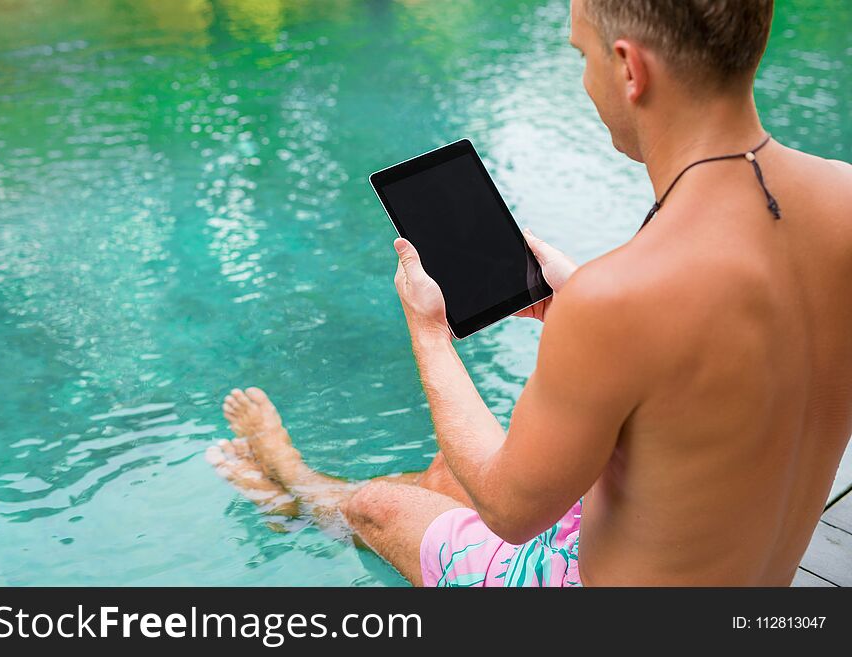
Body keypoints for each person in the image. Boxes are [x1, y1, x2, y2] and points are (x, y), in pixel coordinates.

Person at [206, 0, 852, 586]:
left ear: (629, 69)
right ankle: (322, 494)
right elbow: (730, 378)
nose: (584, 80)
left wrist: (429, 332)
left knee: (384, 508)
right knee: (453, 469)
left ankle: (300, 489)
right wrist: (581, 301)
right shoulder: (843, 199)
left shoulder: (621, 296)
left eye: (582, 55)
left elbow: (509, 510)